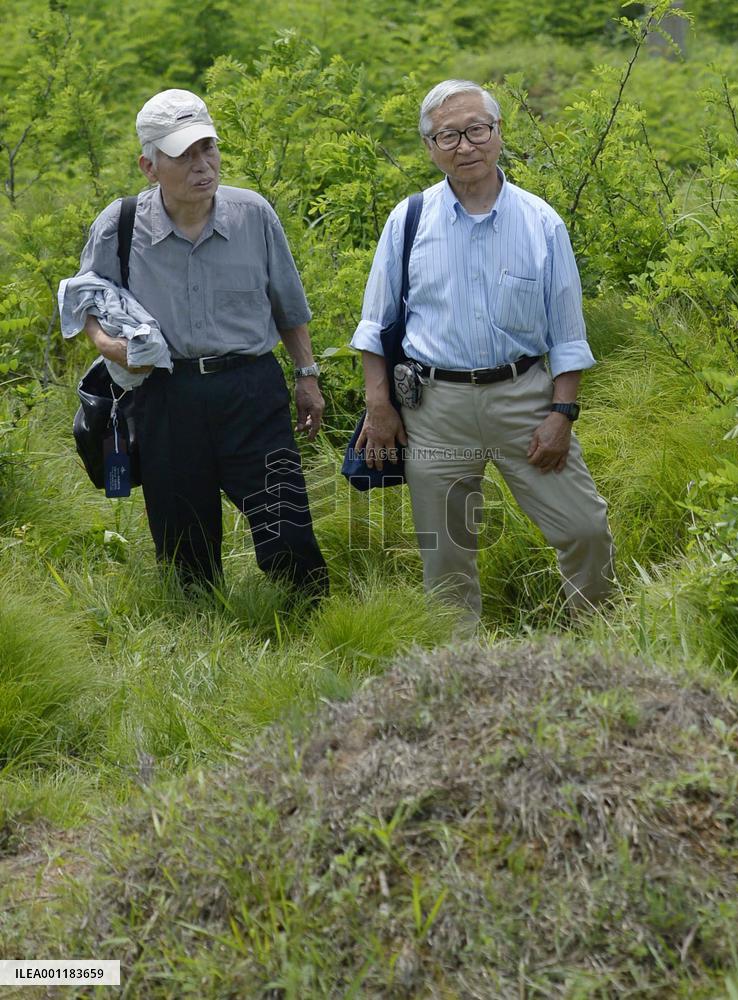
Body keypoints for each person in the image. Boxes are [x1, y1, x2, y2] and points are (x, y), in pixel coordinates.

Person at [351, 79, 614, 624]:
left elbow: (567, 336)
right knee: (446, 557)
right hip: (435, 409)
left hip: (525, 401)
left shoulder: (541, 222)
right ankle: (457, 673)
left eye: (477, 130)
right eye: (449, 135)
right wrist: (380, 407)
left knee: (584, 529)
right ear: (430, 147)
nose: (465, 145)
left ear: (497, 134)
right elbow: (375, 326)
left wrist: (562, 413)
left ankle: (593, 644)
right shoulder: (409, 220)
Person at [76, 88, 328, 594]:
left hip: (251, 391)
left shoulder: (253, 214)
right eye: (183, 155)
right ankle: (203, 633)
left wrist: (307, 377)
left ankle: (313, 623)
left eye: (207, 148)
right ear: (149, 167)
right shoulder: (120, 225)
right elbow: (86, 302)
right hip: (165, 396)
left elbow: (288, 307)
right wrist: (111, 348)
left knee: (288, 530)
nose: (202, 165)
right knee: (183, 543)